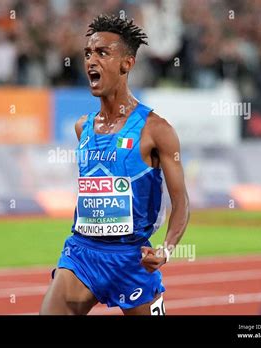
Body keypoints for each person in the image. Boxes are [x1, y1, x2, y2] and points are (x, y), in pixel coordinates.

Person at [40, 14, 190, 315]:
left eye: (102, 53)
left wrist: (166, 249)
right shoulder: (83, 128)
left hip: (131, 260)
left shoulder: (156, 130)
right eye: (87, 54)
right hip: (82, 253)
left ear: (127, 64)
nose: (91, 61)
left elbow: (181, 202)